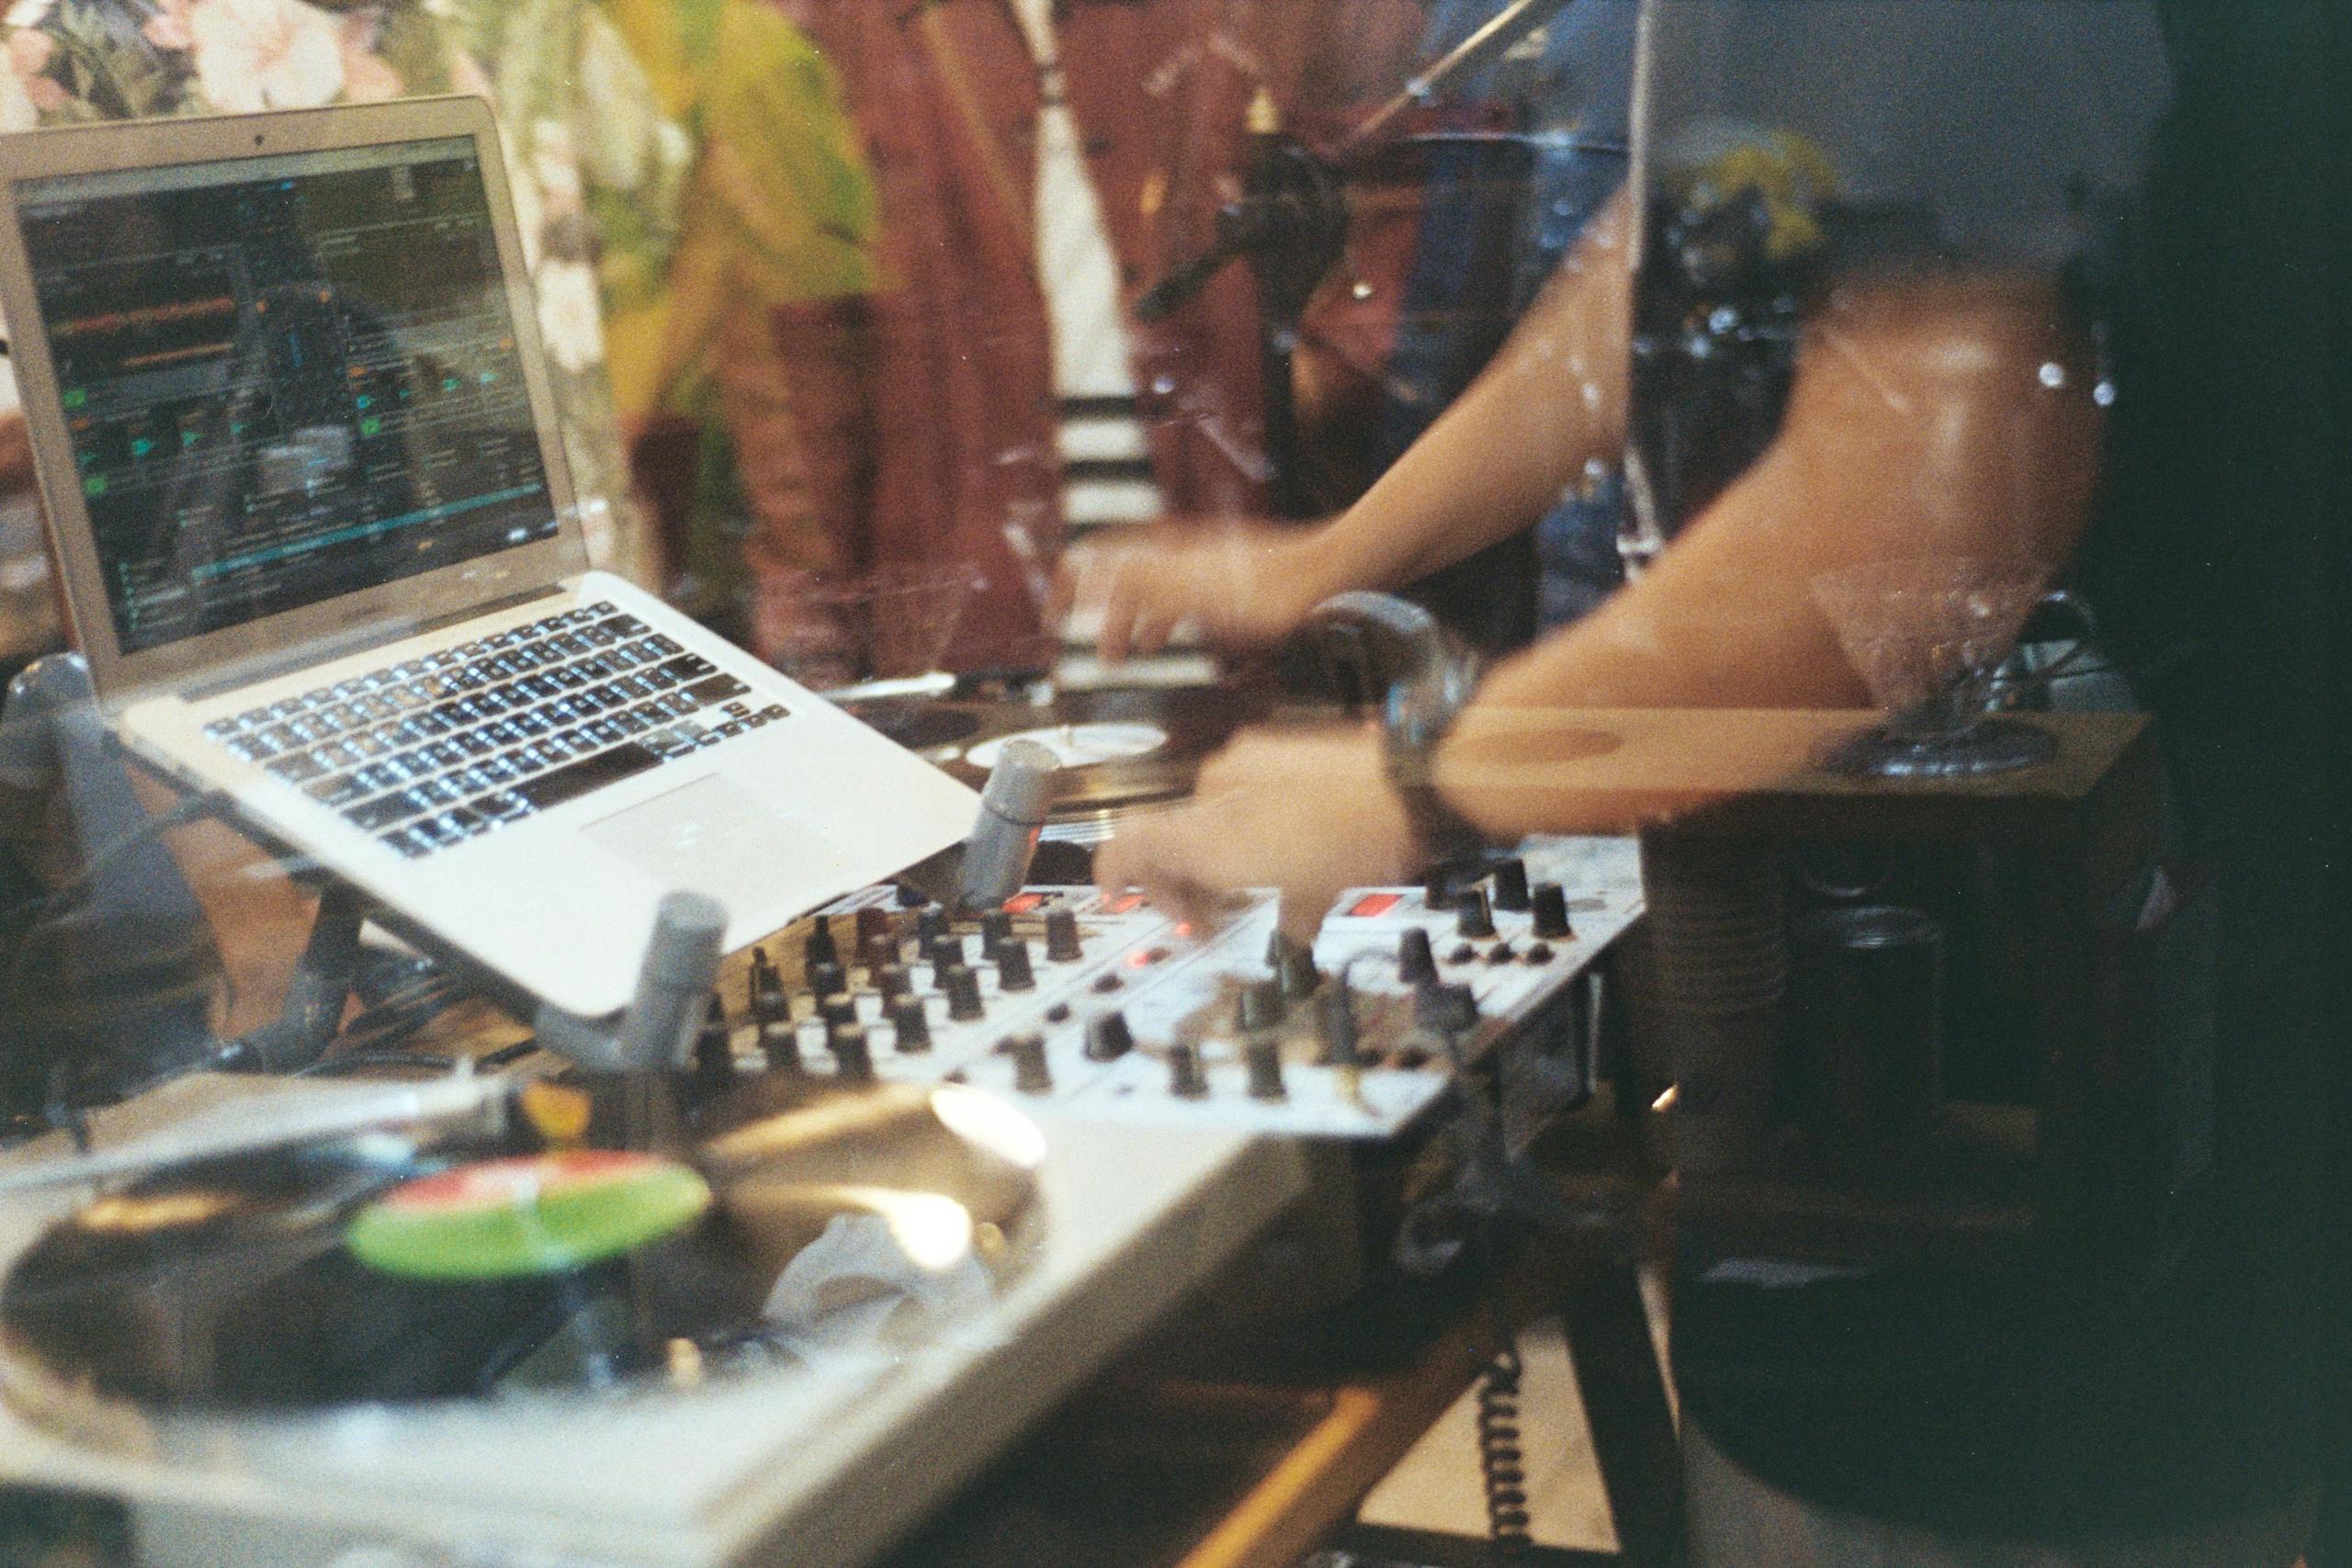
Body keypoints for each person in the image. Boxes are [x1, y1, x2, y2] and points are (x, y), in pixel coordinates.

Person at [1071, 2, 2340, 1562]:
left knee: (1981, 1468)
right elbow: (1699, 229)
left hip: (2073, 1051)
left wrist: (1421, 784)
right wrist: (1340, 555)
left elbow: (1941, 467)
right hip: (1960, 1039)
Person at [751, 0, 1429, 672]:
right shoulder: (842, 24)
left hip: (1247, 599)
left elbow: (1416, 169)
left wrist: (1313, 382)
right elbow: (803, 357)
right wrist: (811, 632)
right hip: (973, 635)